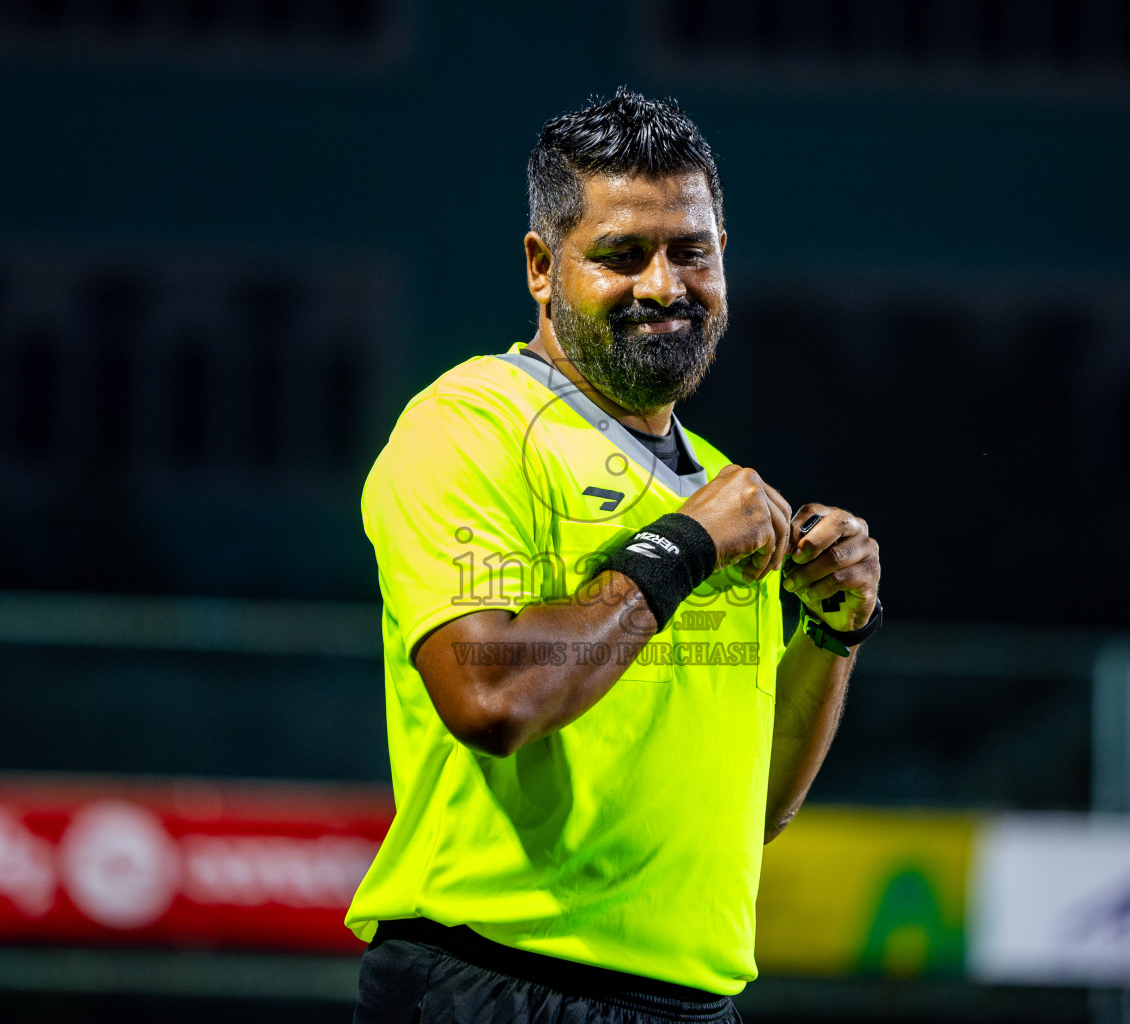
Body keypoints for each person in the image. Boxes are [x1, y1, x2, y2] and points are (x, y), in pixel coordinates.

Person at [348, 88, 882, 1024]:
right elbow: (492, 695)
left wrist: (835, 635)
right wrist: (684, 545)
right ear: (541, 267)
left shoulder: (720, 489)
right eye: (622, 255)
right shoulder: (470, 427)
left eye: (692, 252)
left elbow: (750, 808)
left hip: (693, 1004)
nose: (665, 286)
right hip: (494, 986)